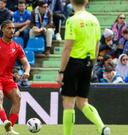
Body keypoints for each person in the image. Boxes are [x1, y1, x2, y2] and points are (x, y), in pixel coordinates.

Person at [56, 0, 110, 135]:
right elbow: (97, 45)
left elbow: (68, 47)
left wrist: (61, 71)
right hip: (88, 63)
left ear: (71, 1)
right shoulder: (94, 20)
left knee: (68, 103)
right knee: (83, 102)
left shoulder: (72, 20)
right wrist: (92, 65)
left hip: (73, 63)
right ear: (86, 1)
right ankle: (102, 127)